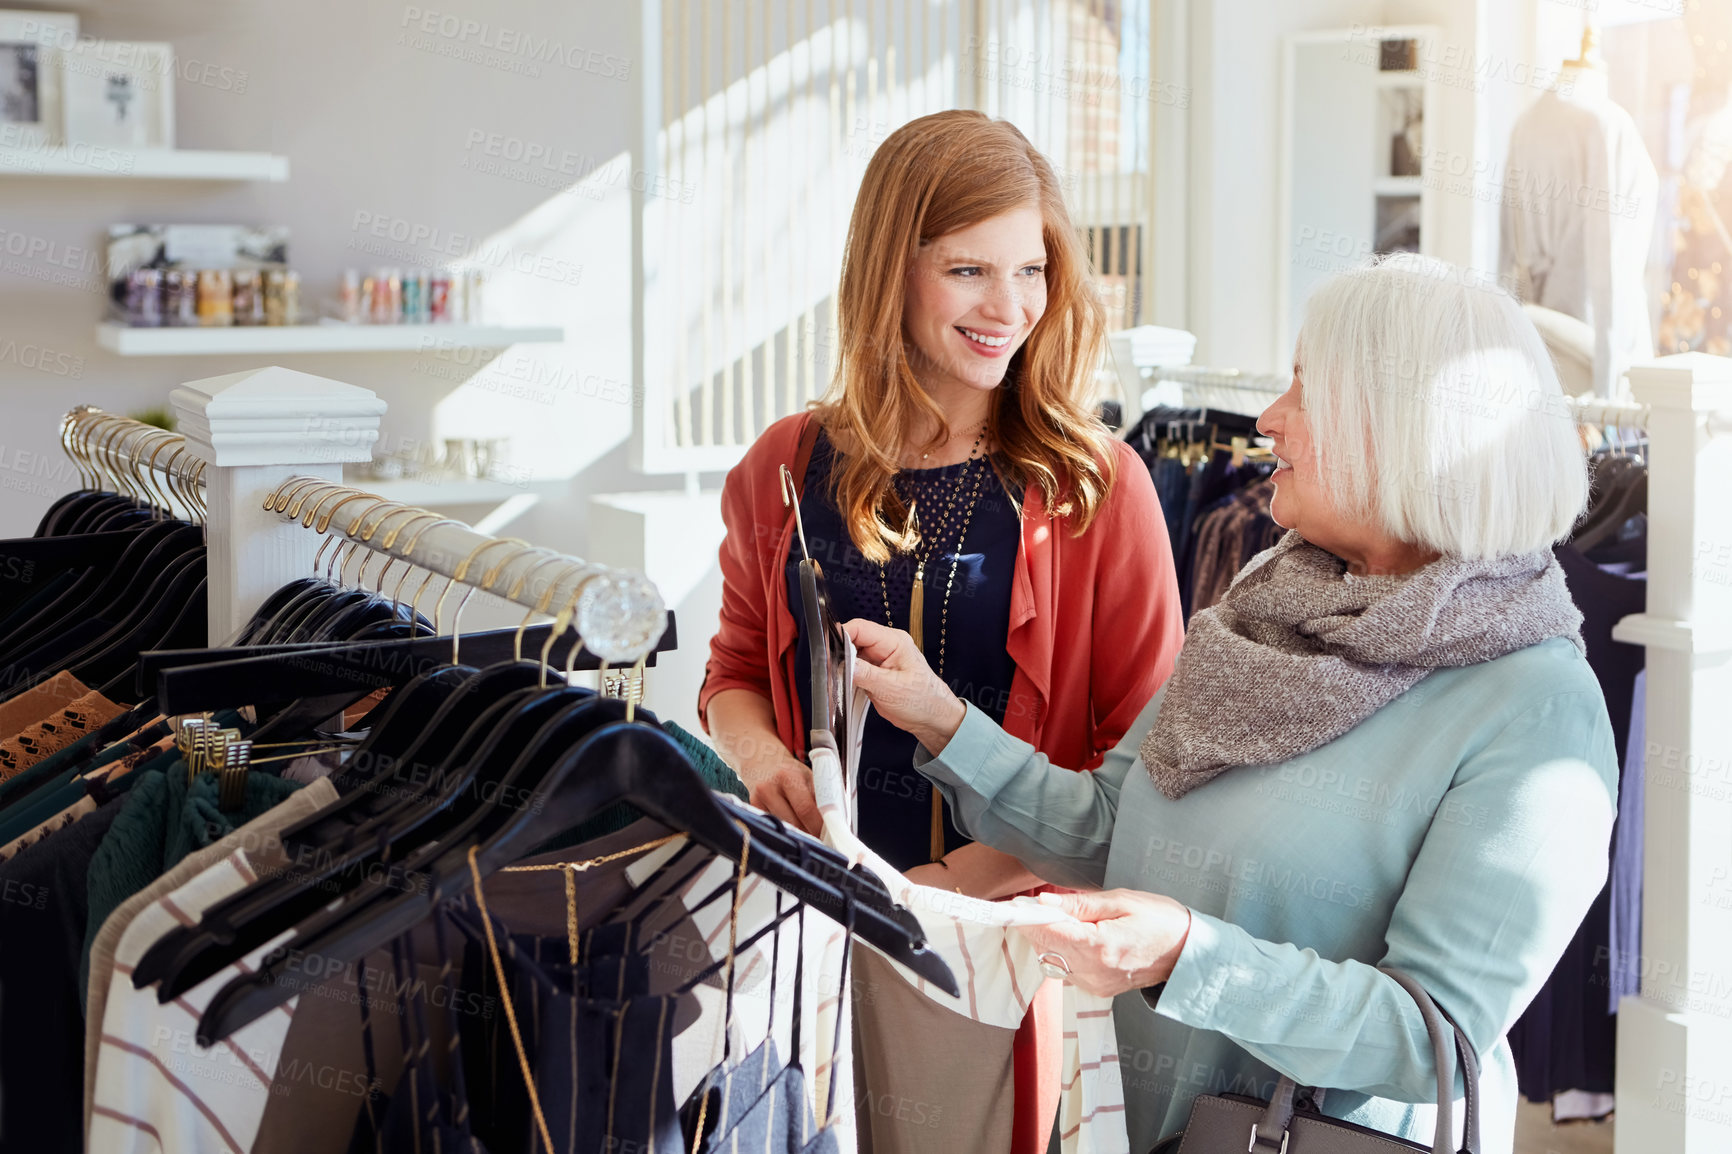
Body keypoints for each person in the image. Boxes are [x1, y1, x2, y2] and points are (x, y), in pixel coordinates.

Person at [845, 253, 1619, 1154]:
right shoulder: (1270, 596)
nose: (1267, 420)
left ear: (1401, 430)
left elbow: (1432, 1037)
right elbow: (1113, 823)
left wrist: (1188, 957)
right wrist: (941, 717)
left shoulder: (1535, 708)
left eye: (1304, 389)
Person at [699, 109, 1184, 1154]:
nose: (1008, 307)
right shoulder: (782, 465)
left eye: (1031, 270)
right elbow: (734, 667)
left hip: (1002, 958)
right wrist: (762, 755)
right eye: (969, 269)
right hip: (811, 923)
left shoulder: (1097, 487)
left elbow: (1142, 769)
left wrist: (951, 886)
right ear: (891, 270)